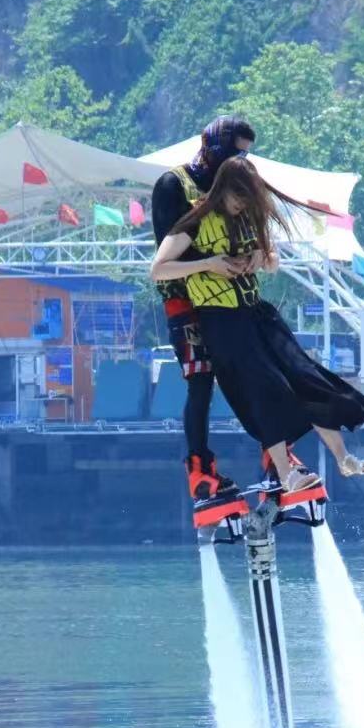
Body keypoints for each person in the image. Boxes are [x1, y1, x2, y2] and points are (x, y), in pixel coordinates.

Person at [151, 157, 364, 491]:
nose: (242, 205)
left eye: (248, 200)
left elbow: (273, 261)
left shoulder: (246, 219)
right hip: (221, 321)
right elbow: (159, 268)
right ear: (223, 189)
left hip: (256, 313)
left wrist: (261, 258)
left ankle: (344, 458)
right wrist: (208, 265)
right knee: (265, 390)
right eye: (238, 198)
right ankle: (286, 473)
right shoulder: (195, 220)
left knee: (307, 377)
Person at [152, 116, 255, 512]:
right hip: (183, 295)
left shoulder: (231, 186)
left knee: (251, 368)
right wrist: (211, 262)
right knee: (201, 380)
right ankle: (200, 469)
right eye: (234, 153)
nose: (240, 161)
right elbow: (167, 248)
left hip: (224, 294)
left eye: (245, 155)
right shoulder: (173, 184)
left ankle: (276, 452)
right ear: (214, 148)